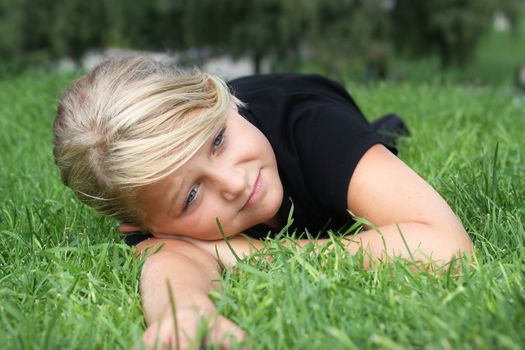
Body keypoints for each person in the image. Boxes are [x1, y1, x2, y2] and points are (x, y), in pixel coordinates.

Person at [53, 56, 472, 349]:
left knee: (376, 144)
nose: (234, 182)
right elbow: (172, 261)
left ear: (220, 98)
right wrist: (182, 314)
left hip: (307, 108)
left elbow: (447, 248)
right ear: (143, 225)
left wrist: (260, 255)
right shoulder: (149, 187)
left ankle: (381, 134)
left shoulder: (308, 126)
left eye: (217, 140)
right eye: (192, 196)